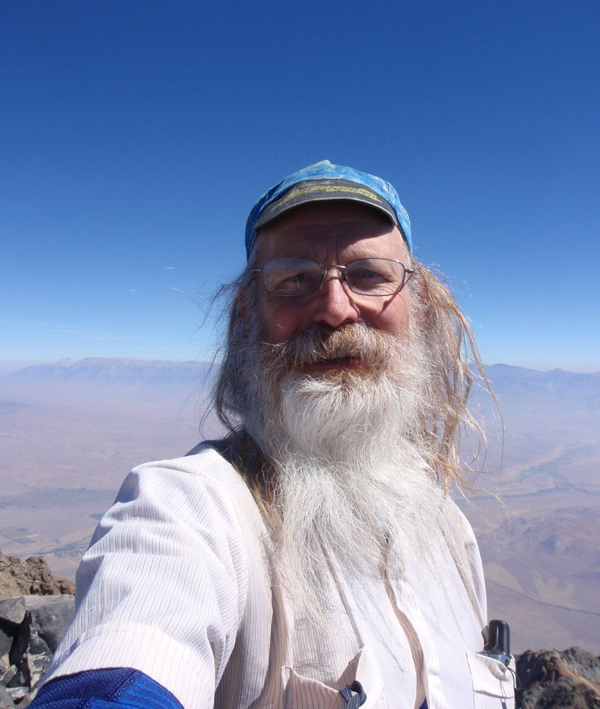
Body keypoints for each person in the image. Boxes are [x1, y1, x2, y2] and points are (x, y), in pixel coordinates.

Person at [32, 161, 515, 708]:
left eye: (371, 275)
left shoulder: (447, 530)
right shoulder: (185, 509)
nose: (335, 309)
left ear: (417, 305)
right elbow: (127, 659)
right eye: (295, 280)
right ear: (247, 313)